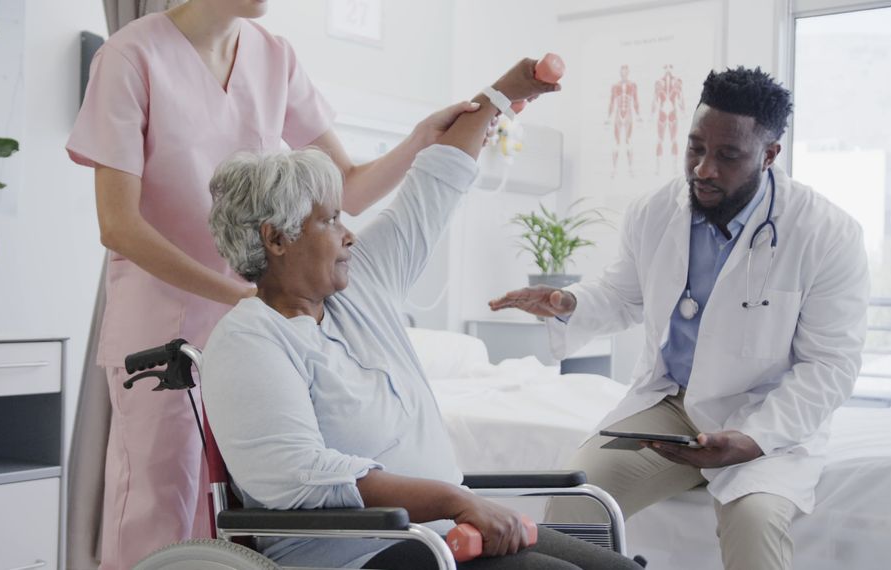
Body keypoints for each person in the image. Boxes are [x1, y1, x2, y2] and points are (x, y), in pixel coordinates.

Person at [64, 1, 481, 567]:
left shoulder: (273, 56)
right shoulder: (131, 56)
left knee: (243, 520)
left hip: (264, 332)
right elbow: (119, 225)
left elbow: (347, 188)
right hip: (166, 335)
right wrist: (241, 296)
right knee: (161, 510)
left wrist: (418, 142)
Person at [200, 59, 640, 570]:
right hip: (357, 553)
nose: (348, 234)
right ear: (276, 238)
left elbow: (434, 188)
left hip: (440, 535)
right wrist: (455, 500)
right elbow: (301, 474)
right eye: (331, 220)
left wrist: (501, 95)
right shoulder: (248, 342)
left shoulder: (360, 284)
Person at [490, 66, 869, 570]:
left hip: (763, 416)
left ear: (770, 154)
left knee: (755, 525)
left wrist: (753, 439)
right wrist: (569, 303)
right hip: (670, 411)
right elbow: (624, 295)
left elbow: (830, 366)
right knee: (578, 499)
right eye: (695, 148)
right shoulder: (655, 211)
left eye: (727, 155)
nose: (703, 169)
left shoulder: (827, 233)